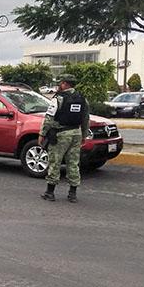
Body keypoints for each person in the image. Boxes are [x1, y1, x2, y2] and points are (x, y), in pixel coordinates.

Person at [38, 74, 90, 203]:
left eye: (60, 83)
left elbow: (49, 118)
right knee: (73, 163)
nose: (59, 85)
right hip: (76, 133)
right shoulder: (82, 98)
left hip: (61, 134)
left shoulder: (58, 99)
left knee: (55, 161)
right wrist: (83, 135)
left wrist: (42, 134)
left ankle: (50, 192)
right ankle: (72, 194)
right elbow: (85, 119)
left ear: (65, 84)